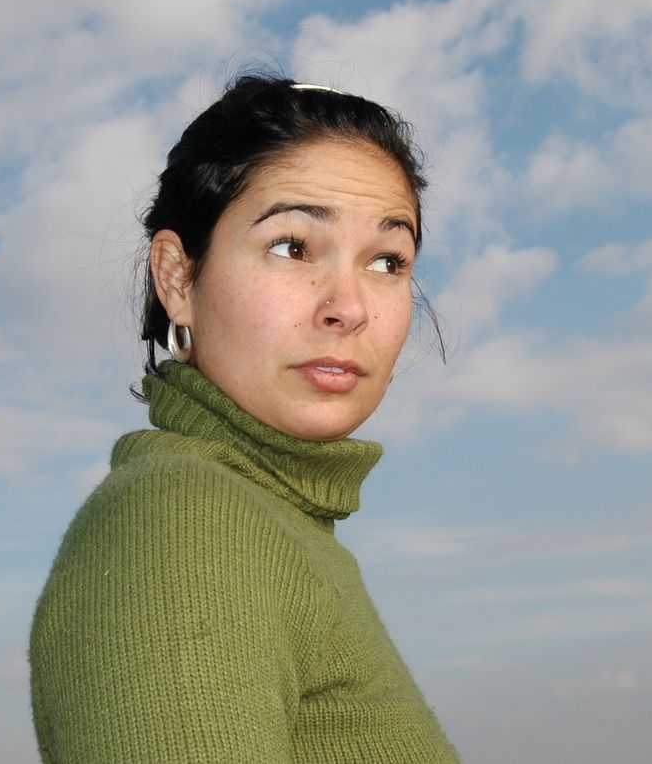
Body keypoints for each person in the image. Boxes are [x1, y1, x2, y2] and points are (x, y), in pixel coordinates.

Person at [29, 74, 460, 762]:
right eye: (292, 246)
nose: (349, 307)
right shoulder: (182, 520)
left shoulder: (276, 525)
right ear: (177, 278)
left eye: (387, 260)